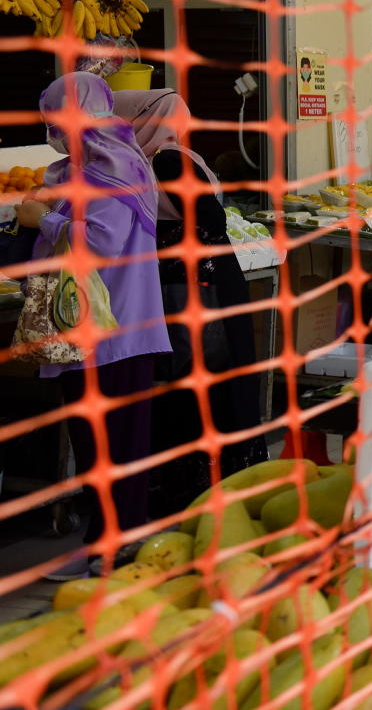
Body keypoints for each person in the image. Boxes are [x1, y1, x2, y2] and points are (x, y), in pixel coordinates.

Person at [17, 73, 171, 576]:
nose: (53, 132)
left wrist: (45, 221)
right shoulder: (103, 166)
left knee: (110, 446)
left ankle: (111, 546)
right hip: (114, 332)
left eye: (57, 120)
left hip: (112, 335)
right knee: (104, 444)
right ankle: (108, 541)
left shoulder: (107, 171)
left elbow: (100, 244)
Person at [111, 89, 266, 518]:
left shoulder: (166, 161)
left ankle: (198, 491)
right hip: (204, 283)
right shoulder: (165, 159)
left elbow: (209, 219)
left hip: (197, 289)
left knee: (196, 379)